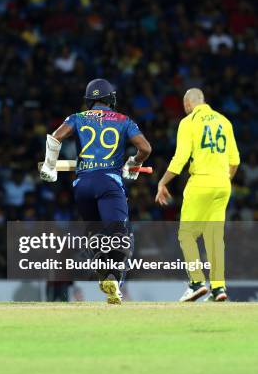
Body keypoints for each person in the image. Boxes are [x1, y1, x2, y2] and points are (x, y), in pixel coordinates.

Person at [40, 79, 152, 304]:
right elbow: (146, 148)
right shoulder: (123, 120)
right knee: (120, 235)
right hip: (109, 183)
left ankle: (105, 277)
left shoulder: (77, 118)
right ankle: (114, 277)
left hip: (82, 185)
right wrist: (133, 162)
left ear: (89, 101)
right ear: (111, 99)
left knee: (95, 233)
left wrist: (49, 165)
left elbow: (55, 138)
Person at [155, 88, 240, 302]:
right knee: (214, 238)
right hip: (223, 183)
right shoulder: (225, 121)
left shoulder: (189, 122)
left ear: (187, 104)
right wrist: (223, 181)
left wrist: (163, 182)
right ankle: (219, 288)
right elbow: (235, 161)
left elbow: (180, 159)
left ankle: (196, 282)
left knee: (186, 235)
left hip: (200, 181)